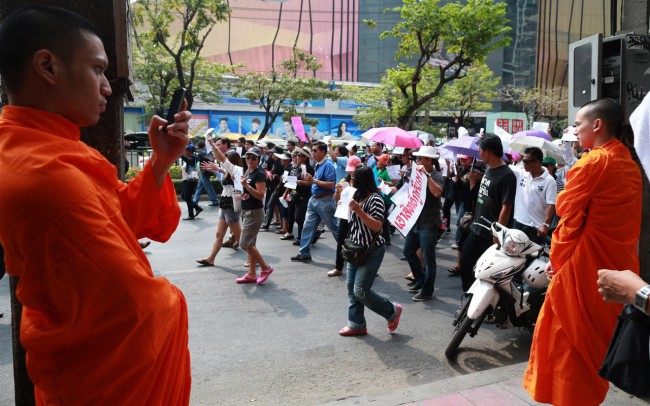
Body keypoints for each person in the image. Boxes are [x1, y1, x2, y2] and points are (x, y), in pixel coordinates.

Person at [0, 6, 191, 404]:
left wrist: (159, 162)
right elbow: (135, 311)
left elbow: (118, 215)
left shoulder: (39, 148)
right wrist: (172, 299)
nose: (107, 87)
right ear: (48, 67)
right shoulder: (47, 175)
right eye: (98, 70)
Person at [523, 98, 643, 406]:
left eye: (578, 124)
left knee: (568, 342)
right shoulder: (628, 162)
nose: (575, 130)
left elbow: (568, 216)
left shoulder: (593, 162)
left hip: (583, 267)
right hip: (618, 267)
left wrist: (557, 261)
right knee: (595, 342)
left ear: (597, 124)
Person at [338, 165, 402, 336]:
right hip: (355, 247)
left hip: (371, 250)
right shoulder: (356, 195)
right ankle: (357, 324)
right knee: (352, 288)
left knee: (361, 291)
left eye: (353, 177)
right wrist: (341, 199)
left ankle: (391, 311)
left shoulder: (376, 199)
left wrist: (358, 211)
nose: (351, 180)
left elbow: (377, 226)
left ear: (361, 180)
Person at [459, 135, 517, 292]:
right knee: (466, 264)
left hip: (491, 235)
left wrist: (497, 232)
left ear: (488, 151)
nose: (479, 155)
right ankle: (470, 300)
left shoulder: (507, 175)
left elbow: (506, 206)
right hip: (476, 228)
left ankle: (488, 309)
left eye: (480, 151)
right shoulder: (488, 169)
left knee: (488, 273)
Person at [402, 146, 444, 302]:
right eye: (417, 158)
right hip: (416, 221)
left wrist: (426, 176)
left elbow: (437, 192)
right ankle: (420, 280)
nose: (418, 161)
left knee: (429, 258)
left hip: (429, 223)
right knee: (408, 252)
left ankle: (427, 290)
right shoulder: (416, 174)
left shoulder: (436, 175)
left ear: (429, 160)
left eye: (421, 158)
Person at [196, 140, 244, 266]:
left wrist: (212, 144)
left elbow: (222, 159)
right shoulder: (227, 172)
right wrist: (216, 168)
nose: (224, 161)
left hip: (231, 204)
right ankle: (211, 258)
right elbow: (221, 162)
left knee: (242, 237)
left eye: (227, 160)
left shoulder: (237, 170)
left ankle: (253, 258)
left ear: (232, 161)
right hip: (224, 204)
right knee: (219, 234)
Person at [291, 142, 340, 263]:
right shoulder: (318, 164)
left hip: (325, 200)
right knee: (307, 227)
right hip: (314, 199)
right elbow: (316, 182)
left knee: (335, 228)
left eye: (315, 151)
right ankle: (304, 253)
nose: (312, 153)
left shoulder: (328, 165)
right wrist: (306, 182)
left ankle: (352, 251)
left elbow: (331, 185)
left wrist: (313, 181)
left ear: (323, 152)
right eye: (312, 151)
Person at [236, 147, 275, 284]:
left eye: (253, 158)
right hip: (246, 210)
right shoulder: (248, 171)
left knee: (244, 243)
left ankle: (265, 267)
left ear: (258, 160)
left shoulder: (259, 174)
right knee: (251, 243)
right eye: (248, 158)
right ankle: (251, 273)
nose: (250, 160)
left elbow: (260, 195)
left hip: (254, 212)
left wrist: (247, 187)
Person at [511, 147, 557, 245]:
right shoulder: (521, 173)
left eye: (525, 161)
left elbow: (551, 204)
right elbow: (503, 166)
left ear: (536, 162)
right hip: (518, 223)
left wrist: (545, 225)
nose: (523, 164)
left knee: (530, 259)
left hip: (534, 228)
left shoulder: (549, 180)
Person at [329, 155, 362, 277]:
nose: (351, 172)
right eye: (350, 169)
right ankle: (338, 267)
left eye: (353, 169)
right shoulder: (344, 181)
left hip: (359, 216)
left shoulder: (363, 181)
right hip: (344, 215)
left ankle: (365, 267)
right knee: (341, 241)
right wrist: (338, 192)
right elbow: (336, 199)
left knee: (359, 242)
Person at [180, 143, 203, 220]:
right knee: (184, 196)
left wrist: (181, 155)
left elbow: (190, 162)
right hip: (187, 180)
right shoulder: (190, 157)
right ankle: (197, 207)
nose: (185, 152)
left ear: (191, 151)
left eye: (187, 150)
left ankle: (191, 214)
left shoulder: (194, 158)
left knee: (187, 197)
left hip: (191, 180)